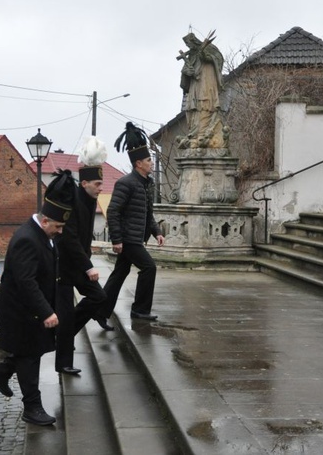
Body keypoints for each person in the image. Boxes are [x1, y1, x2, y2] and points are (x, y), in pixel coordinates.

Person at [0, 171, 75, 426]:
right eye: (58, 227)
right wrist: (46, 311)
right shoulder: (27, 239)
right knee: (29, 356)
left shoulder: (43, 235)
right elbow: (26, 282)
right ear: (45, 220)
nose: (59, 232)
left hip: (30, 310)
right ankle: (31, 408)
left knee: (30, 352)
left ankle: (0, 372)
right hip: (20, 312)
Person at [98, 122, 165, 324]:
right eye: (148, 160)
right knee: (149, 267)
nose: (151, 163)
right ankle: (139, 310)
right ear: (138, 164)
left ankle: (101, 311)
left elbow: (148, 213)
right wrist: (117, 240)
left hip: (135, 237)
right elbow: (113, 211)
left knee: (119, 273)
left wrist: (157, 232)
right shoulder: (125, 183)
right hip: (129, 239)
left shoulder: (146, 183)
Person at [55, 137, 109, 375]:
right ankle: (64, 358)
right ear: (84, 182)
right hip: (65, 267)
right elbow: (69, 238)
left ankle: (62, 335)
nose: (101, 188)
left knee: (98, 297)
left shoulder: (89, 199)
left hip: (78, 264)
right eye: (97, 184)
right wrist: (88, 267)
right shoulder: (74, 199)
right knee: (66, 315)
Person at [178, 31, 227, 149]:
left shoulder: (210, 48)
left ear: (194, 41)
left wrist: (206, 56)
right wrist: (186, 72)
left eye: (189, 44)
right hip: (194, 87)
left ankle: (202, 135)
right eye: (187, 46)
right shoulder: (192, 55)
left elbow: (218, 60)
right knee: (193, 110)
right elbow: (185, 75)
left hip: (207, 83)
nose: (189, 47)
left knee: (205, 106)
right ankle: (194, 135)